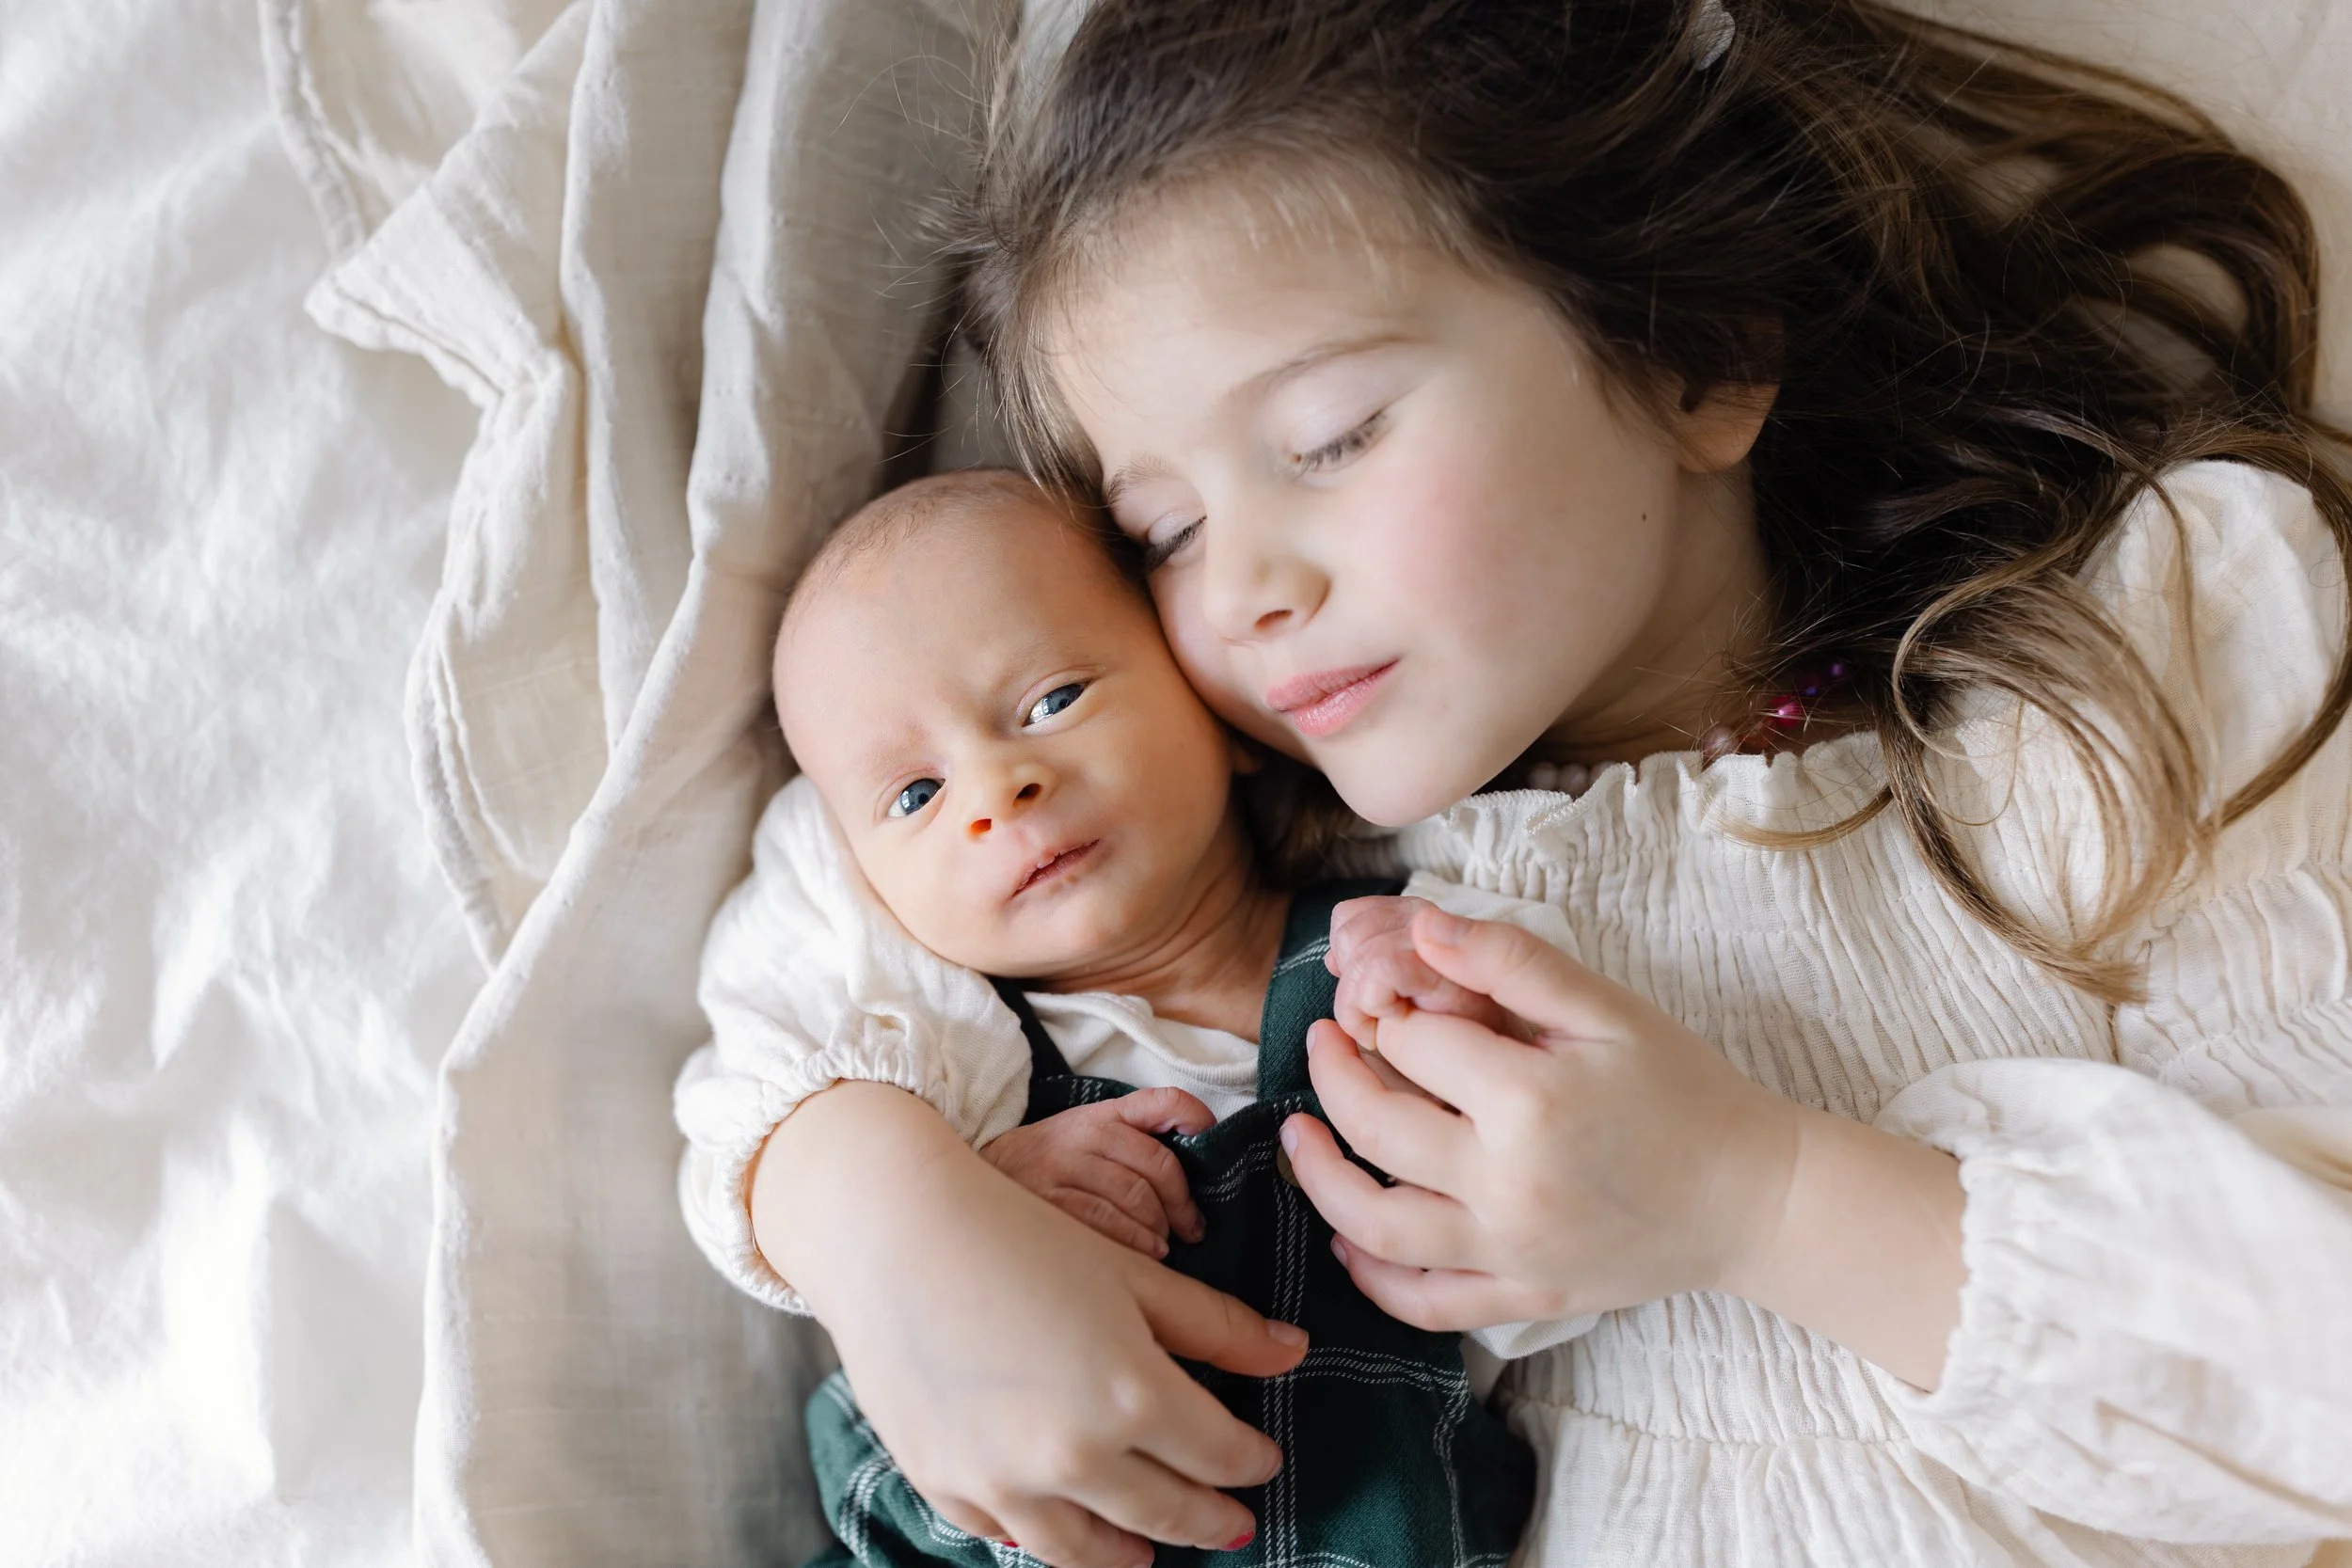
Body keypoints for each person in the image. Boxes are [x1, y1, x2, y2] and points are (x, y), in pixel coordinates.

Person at [675, 2, 2352, 1564]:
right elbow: (844, 892)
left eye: (1329, 437)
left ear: (1689, 350)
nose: (1244, 589)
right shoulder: (1261, 842)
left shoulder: (2118, 687)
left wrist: (1752, 1197)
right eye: (1162, 532)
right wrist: (874, 1220)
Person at [735, 468, 1573, 1565]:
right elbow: (749, 1128)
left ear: (1217, 707)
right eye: (914, 795)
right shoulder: (927, 1059)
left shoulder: (1405, 952)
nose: (997, 789)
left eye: (1050, 701)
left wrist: (1465, 1064)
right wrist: (962, 1200)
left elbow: (1558, 1286)